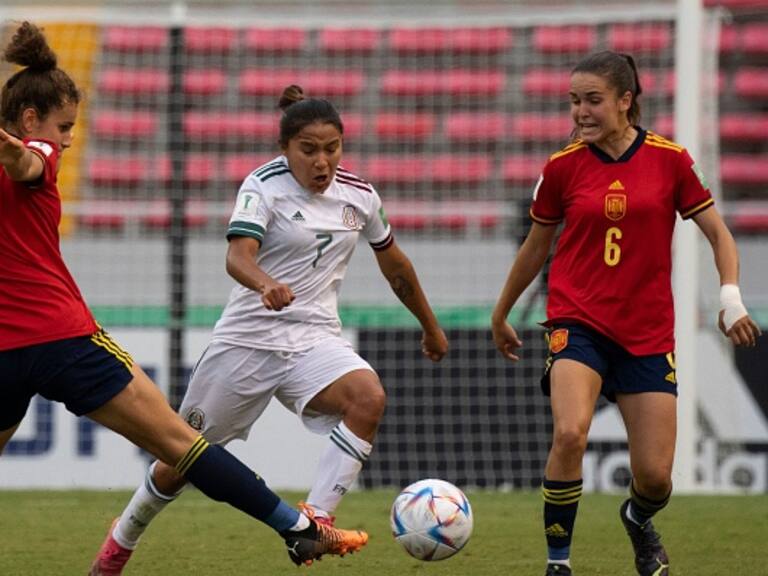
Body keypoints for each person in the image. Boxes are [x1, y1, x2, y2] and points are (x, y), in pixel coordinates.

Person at [0, 21, 369, 575]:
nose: (69, 139)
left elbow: (21, 165)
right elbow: (30, 161)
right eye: (65, 126)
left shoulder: (29, 154)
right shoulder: (39, 150)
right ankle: (298, 529)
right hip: (63, 339)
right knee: (183, 444)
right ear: (32, 121)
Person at [89, 83, 449, 573]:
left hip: (314, 339)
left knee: (368, 398)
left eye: (332, 148)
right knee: (180, 461)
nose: (322, 162)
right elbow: (238, 256)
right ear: (285, 149)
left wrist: (429, 326)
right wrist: (265, 284)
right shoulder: (263, 185)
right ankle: (118, 546)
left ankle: (314, 524)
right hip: (248, 341)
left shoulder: (361, 196)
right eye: (308, 150)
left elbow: (396, 264)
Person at [491, 50, 761, 576]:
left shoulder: (671, 160)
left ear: (625, 100)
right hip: (578, 321)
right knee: (570, 434)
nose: (580, 112)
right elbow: (535, 248)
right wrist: (502, 311)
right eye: (574, 101)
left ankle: (638, 519)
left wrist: (731, 298)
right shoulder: (562, 167)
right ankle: (558, 563)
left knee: (656, 477)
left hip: (647, 332)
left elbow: (718, 235)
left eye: (592, 100)